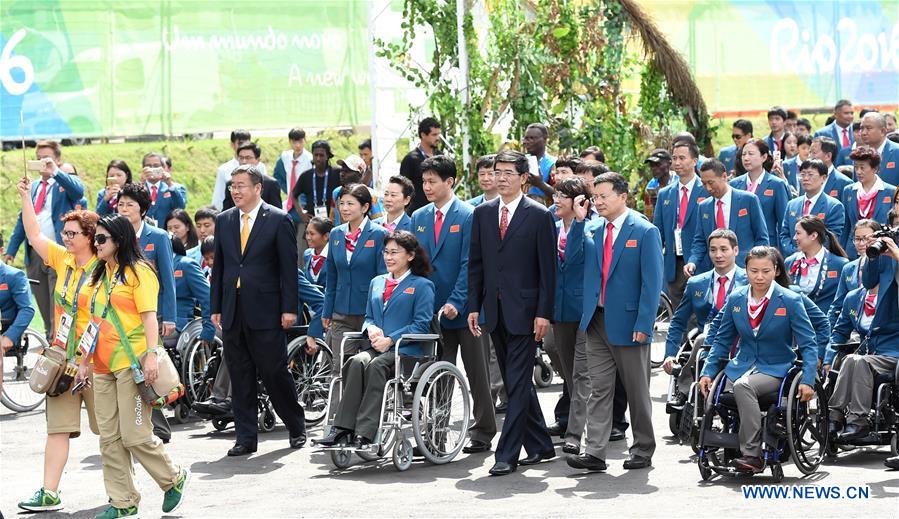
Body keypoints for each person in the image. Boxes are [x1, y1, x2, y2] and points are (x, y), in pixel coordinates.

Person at [76, 214, 189, 518]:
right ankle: (122, 501)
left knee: (135, 434)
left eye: (101, 239)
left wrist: (152, 354)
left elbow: (149, 317)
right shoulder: (97, 275)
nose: (95, 244)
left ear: (120, 240)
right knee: (109, 438)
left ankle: (173, 477)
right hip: (101, 366)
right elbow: (92, 321)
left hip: (132, 364)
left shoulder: (139, 273)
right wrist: (83, 361)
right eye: (94, 239)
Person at [564, 172, 663, 472]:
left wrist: (644, 325)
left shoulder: (644, 231)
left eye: (604, 196)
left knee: (636, 391)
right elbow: (571, 258)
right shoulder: (592, 227)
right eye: (596, 197)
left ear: (623, 196)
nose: (598, 201)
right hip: (596, 320)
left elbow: (652, 282)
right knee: (599, 388)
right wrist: (579, 222)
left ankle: (643, 447)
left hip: (630, 323)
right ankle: (595, 452)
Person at [467, 149, 556, 476]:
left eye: (508, 173)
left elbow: (548, 272)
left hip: (527, 312)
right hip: (494, 310)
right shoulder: (482, 214)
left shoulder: (539, 215)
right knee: (516, 380)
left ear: (522, 178)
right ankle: (542, 445)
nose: (501, 178)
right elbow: (476, 264)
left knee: (517, 383)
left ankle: (507, 453)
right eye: (497, 171)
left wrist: (544, 313)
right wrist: (474, 305)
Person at [210, 165, 306, 455]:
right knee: (240, 374)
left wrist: (289, 308)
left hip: (267, 309)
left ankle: (295, 424)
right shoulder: (224, 220)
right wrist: (216, 306)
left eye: (241, 185)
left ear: (258, 188)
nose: (236, 191)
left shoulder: (278, 219)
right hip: (233, 309)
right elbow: (220, 267)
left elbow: (289, 270)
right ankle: (246, 437)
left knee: (274, 371)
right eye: (232, 186)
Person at [698, 246, 817, 473]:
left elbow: (808, 342)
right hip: (741, 365)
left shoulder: (790, 299)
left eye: (765, 271)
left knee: (743, 387)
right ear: (746, 270)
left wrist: (809, 379)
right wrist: (707, 371)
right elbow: (722, 340)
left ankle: (752, 455)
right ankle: (719, 444)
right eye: (754, 271)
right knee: (719, 392)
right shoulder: (737, 298)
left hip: (776, 368)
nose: (759, 277)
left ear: (776, 270)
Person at [13, 185, 93, 514]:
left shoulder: (105, 268)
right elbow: (33, 235)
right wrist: (25, 199)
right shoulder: (62, 260)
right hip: (62, 361)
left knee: (114, 432)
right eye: (64, 233)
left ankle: (130, 487)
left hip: (94, 361)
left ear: (92, 236)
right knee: (58, 428)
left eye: (73, 233)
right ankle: (49, 491)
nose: (67, 238)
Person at [317, 231, 435, 448]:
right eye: (386, 252)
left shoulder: (422, 286)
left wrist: (391, 339)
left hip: (407, 351)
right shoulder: (377, 282)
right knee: (355, 361)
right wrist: (370, 328)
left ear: (410, 256)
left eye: (394, 253)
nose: (388, 257)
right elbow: (369, 316)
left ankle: (366, 431)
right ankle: (343, 428)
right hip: (377, 347)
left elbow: (421, 324)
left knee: (377, 366)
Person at [411, 155, 496, 454]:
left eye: (433, 181)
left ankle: (484, 429)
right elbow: (417, 264)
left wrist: (457, 301)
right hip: (432, 312)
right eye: (424, 181)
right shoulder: (418, 217)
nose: (427, 187)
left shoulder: (470, 215)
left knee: (477, 373)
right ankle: (435, 431)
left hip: (467, 310)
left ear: (450, 182)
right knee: (436, 374)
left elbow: (469, 264)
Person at [116, 183, 177, 442]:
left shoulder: (158, 236)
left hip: (151, 312)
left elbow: (168, 279)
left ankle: (158, 428)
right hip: (123, 316)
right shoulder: (115, 236)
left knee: (146, 369)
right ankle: (144, 428)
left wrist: (170, 317)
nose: (124, 209)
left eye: (130, 204)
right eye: (121, 204)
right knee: (130, 370)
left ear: (142, 208)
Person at [5, 141, 85, 337]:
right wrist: (11, 250)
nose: (41, 161)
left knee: (56, 298)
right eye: (38, 157)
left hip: (58, 251)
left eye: (46, 157)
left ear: (57, 159)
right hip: (34, 253)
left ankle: (56, 341)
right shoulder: (33, 187)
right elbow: (21, 221)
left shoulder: (62, 183)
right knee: (42, 300)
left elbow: (79, 191)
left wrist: (55, 171)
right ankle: (50, 337)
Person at [662, 229, 745, 407]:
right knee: (700, 339)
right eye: (713, 250)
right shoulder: (696, 283)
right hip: (705, 340)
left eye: (724, 249)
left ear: (736, 250)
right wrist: (669, 354)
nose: (718, 255)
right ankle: (684, 391)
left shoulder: (749, 280)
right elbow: (678, 321)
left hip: (742, 339)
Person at [322, 184, 388, 371]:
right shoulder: (336, 234)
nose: (344, 208)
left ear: (365, 207)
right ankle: (338, 402)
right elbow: (332, 276)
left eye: (350, 203)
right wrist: (327, 311)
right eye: (341, 203)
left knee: (367, 367)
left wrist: (380, 313)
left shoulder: (379, 234)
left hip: (369, 314)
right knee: (339, 368)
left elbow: (383, 277)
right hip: (341, 312)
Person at [548, 177, 592, 456]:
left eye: (563, 196)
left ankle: (574, 434)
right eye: (555, 195)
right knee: (569, 374)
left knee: (581, 374)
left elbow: (575, 254)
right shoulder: (549, 229)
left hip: (585, 311)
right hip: (558, 310)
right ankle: (586, 418)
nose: (556, 200)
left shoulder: (590, 228)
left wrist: (578, 221)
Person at [857, 230, 899, 469]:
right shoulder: (886, 247)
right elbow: (868, 282)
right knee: (855, 361)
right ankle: (848, 420)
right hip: (886, 337)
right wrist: (873, 254)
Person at [685, 159, 768, 276]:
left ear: (724, 177)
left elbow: (761, 237)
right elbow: (700, 241)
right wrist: (692, 262)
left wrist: (757, 265)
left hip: (744, 270)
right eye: (704, 184)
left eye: (711, 182)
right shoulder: (703, 207)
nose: (708, 188)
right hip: (714, 271)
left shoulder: (749, 200)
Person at [654, 140, 708, 311]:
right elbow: (658, 231)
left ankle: (695, 338)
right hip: (674, 260)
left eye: (682, 158)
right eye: (674, 158)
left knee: (699, 310)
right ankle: (683, 339)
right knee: (678, 310)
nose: (677, 163)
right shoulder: (665, 194)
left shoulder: (707, 190)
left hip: (701, 260)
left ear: (694, 161)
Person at [785, 216, 849, 321]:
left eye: (798, 233)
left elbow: (842, 301)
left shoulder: (840, 264)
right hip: (796, 323)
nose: (794, 238)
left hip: (827, 323)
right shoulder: (790, 262)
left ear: (813, 235)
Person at [730, 139, 790, 248]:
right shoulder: (734, 184)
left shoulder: (776, 184)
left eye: (751, 154)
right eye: (744, 154)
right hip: (739, 248)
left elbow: (783, 223)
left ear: (764, 157)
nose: (746, 158)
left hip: (767, 247)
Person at [779, 159, 846, 256]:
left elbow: (831, 238)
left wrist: (809, 253)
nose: (805, 178)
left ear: (823, 178)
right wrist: (795, 253)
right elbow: (784, 234)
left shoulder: (834, 206)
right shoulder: (792, 204)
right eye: (802, 174)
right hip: (793, 259)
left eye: (810, 175)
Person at [841, 146, 896, 259]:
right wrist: (843, 251)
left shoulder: (890, 191)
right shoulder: (848, 191)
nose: (858, 172)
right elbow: (846, 225)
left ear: (875, 169)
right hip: (853, 251)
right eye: (856, 168)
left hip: (881, 250)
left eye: (862, 168)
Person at [169, 236, 215, 350]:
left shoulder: (185, 264)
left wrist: (208, 328)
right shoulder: (154, 266)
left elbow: (207, 296)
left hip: (179, 324)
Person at [212, 130, 268, 209]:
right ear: (232, 144)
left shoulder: (260, 166)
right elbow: (218, 198)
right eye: (240, 143)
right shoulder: (224, 170)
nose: (244, 145)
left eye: (247, 142)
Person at [290, 140, 341, 224]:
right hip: (312, 222)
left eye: (321, 155)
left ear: (327, 156)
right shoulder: (306, 175)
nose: (318, 158)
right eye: (316, 155)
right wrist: (301, 213)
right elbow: (294, 195)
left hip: (333, 220)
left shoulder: (337, 173)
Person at [400, 117, 442, 213]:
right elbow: (403, 188)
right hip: (417, 212)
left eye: (439, 134)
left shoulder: (441, 157)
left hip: (439, 211)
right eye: (434, 135)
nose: (438, 138)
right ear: (423, 135)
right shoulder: (410, 159)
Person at [223, 142, 282, 210]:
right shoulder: (230, 184)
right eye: (241, 158)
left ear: (258, 160)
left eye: (248, 158)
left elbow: (277, 213)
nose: (244, 162)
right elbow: (226, 212)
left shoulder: (271, 184)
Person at [273, 127, 313, 222]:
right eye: (294, 142)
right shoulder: (285, 157)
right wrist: (288, 190)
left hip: (304, 201)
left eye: (300, 142)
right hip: (289, 202)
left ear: (305, 140)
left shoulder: (310, 160)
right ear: (290, 142)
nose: (297, 145)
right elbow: (277, 176)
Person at [332, 155, 385, 225]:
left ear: (360, 174)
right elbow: (332, 218)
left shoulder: (372, 195)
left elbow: (380, 222)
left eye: (347, 171)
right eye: (342, 170)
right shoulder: (336, 192)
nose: (342, 174)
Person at [141, 152, 187, 225]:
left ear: (162, 168)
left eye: (156, 166)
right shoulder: (139, 188)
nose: (152, 169)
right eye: (148, 166)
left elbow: (180, 207)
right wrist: (142, 184)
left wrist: (169, 184)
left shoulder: (174, 188)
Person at [858, 112, 899, 186]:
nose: (863, 132)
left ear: (882, 131)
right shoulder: (859, 155)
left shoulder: (897, 152)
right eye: (861, 128)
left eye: (868, 128)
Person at [815, 99, 855, 167]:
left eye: (852, 113)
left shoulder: (859, 132)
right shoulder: (822, 134)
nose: (850, 116)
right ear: (835, 114)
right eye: (846, 113)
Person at [522, 123, 556, 201]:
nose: (527, 142)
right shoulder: (521, 160)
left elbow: (561, 195)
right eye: (526, 138)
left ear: (545, 139)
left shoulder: (553, 164)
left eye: (532, 138)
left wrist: (540, 184)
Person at [303, 216, 333, 290]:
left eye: (312, 234)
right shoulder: (307, 254)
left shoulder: (334, 255)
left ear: (326, 236)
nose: (308, 237)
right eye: (307, 233)